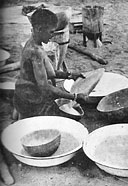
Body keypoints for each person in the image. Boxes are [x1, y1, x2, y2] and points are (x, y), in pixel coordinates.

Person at [13, 8, 87, 119]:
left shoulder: (37, 44)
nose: (52, 35)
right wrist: (74, 97)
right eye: (51, 32)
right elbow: (45, 87)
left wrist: (69, 75)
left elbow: (50, 73)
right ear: (39, 29)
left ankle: (17, 117)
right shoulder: (34, 51)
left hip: (25, 93)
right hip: (28, 99)